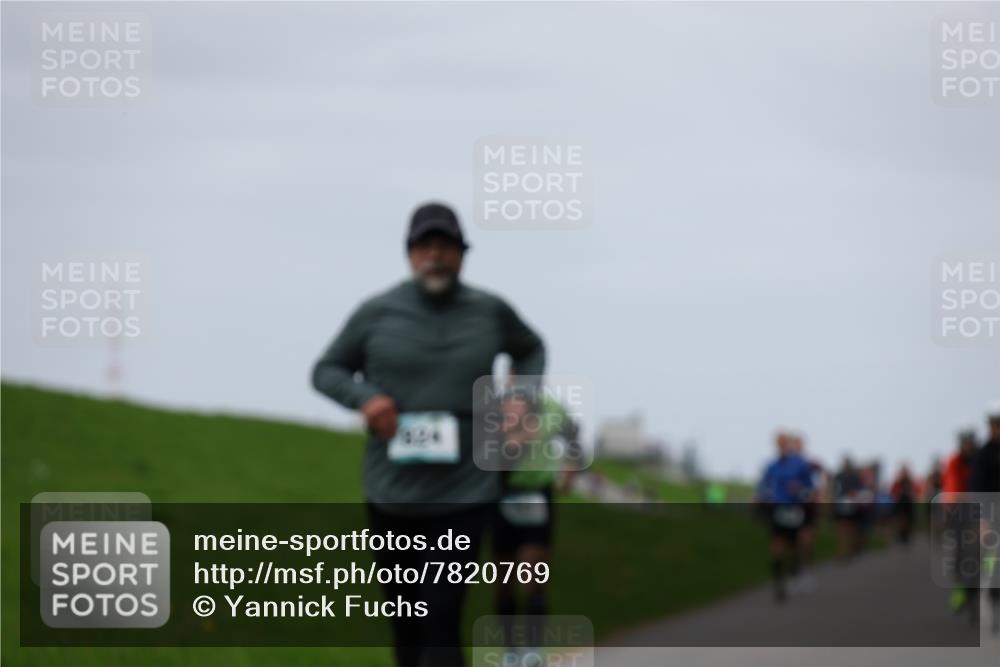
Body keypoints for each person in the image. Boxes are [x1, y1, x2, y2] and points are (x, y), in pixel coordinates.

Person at [311, 202, 545, 667]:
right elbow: (326, 370)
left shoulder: (489, 311)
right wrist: (366, 399)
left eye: (446, 246)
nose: (435, 255)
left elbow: (531, 348)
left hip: (466, 489)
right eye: (425, 246)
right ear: (409, 253)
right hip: (392, 492)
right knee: (407, 622)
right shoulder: (377, 313)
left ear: (463, 253)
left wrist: (521, 396)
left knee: (441, 614)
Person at [492, 388, 580, 667]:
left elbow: (572, 432)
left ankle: (533, 649)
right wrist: (514, 439)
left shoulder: (551, 407)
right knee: (504, 583)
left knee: (534, 577)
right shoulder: (494, 407)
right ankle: (510, 652)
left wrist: (571, 464)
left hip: (538, 494)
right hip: (503, 494)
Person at [756, 431, 817, 603]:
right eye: (779, 443)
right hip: (777, 509)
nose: (782, 446)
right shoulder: (772, 466)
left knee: (794, 545)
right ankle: (778, 584)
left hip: (795, 509)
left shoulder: (800, 465)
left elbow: (810, 488)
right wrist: (760, 497)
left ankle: (796, 570)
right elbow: (763, 485)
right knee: (777, 546)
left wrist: (800, 491)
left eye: (785, 443)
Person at [942, 430, 979, 619]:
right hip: (959, 512)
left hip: (980, 510)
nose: (968, 446)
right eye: (965, 443)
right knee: (957, 554)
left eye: (970, 443)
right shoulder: (954, 462)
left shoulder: (980, 459)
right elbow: (952, 487)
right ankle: (961, 589)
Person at [970, 403, 1000, 633]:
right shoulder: (983, 454)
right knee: (993, 562)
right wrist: (982, 520)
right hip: (992, 515)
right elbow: (978, 489)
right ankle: (992, 601)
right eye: (994, 425)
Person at [832, 456, 865, 560]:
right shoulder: (852, 476)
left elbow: (835, 489)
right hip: (847, 504)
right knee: (848, 528)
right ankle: (846, 551)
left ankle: (844, 551)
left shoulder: (842, 476)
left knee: (844, 528)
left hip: (846, 504)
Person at [890, 465, 916, 545]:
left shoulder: (910, 482)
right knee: (901, 520)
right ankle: (901, 535)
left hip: (908, 505)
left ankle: (905, 536)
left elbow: (914, 492)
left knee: (907, 521)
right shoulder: (898, 483)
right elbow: (893, 492)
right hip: (900, 504)